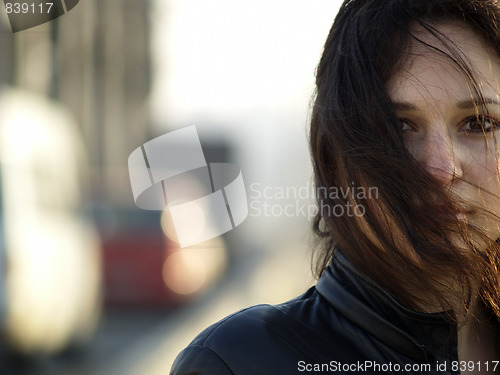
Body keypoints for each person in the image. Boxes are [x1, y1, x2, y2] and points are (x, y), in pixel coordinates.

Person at [170, 0, 500, 373]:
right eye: (398, 127)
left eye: (479, 124)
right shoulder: (238, 362)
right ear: (332, 157)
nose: (442, 168)